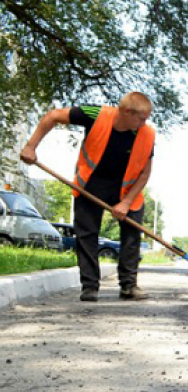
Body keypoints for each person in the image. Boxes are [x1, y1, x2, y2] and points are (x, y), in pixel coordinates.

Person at [20, 92, 155, 303]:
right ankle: (90, 286)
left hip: (127, 190)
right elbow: (53, 115)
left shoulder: (146, 134)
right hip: (91, 184)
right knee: (87, 235)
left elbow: (145, 173)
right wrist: (30, 146)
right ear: (127, 112)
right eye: (142, 118)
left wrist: (126, 203)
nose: (145, 123)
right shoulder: (95, 115)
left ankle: (129, 286)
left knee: (132, 233)